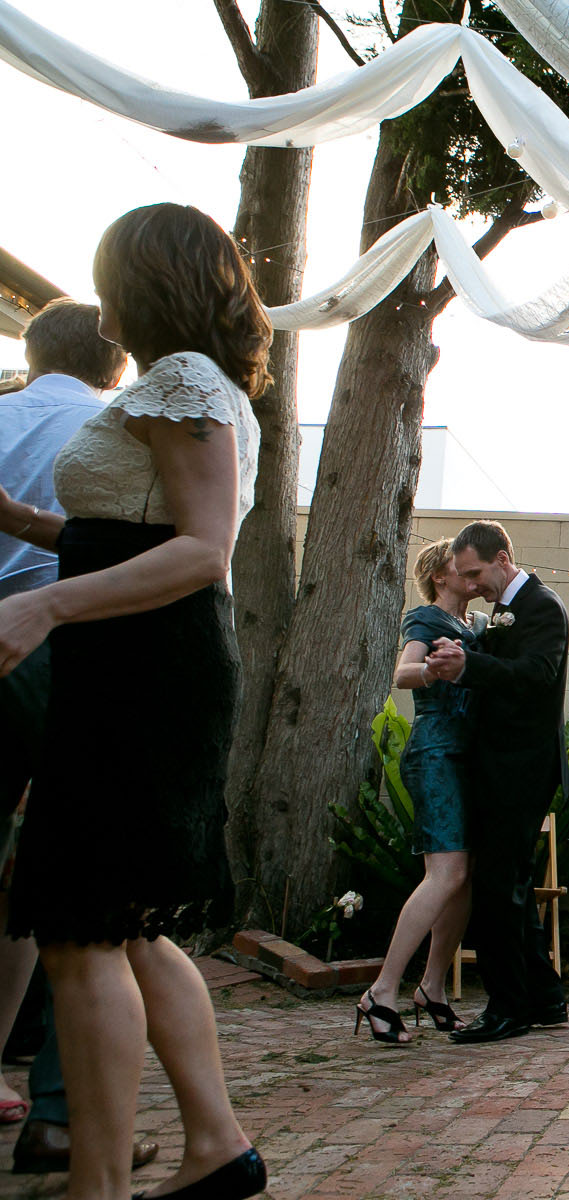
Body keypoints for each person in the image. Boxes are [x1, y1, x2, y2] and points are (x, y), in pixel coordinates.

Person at [0, 203, 269, 1199]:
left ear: (141, 279)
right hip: (132, 663)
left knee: (78, 932)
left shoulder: (186, 380)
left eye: (108, 270)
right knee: (127, 927)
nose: (98, 290)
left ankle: (96, 1186)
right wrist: (22, 520)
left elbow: (201, 551)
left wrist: (43, 611)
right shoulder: (186, 384)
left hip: (144, 669)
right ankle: (215, 1148)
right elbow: (127, 524)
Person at [0, 299, 160, 1175]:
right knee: (80, 882)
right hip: (67, 647)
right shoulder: (110, 429)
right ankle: (59, 1115)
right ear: (111, 360)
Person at [425, 520, 569, 1044]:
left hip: (522, 768)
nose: (470, 585)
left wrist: (470, 667)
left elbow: (536, 675)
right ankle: (545, 998)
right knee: (513, 884)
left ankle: (508, 1008)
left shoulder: (543, 607)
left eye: (476, 573)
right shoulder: (507, 612)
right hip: (501, 766)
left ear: (503, 558)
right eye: (463, 576)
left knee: (495, 887)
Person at [354, 540, 486, 1043]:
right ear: (440, 575)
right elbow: (403, 672)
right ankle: (381, 992)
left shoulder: (474, 627)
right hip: (436, 754)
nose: (471, 573)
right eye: (461, 565)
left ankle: (432, 988)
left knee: (464, 876)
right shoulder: (427, 620)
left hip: (468, 760)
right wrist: (432, 669)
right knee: (445, 871)